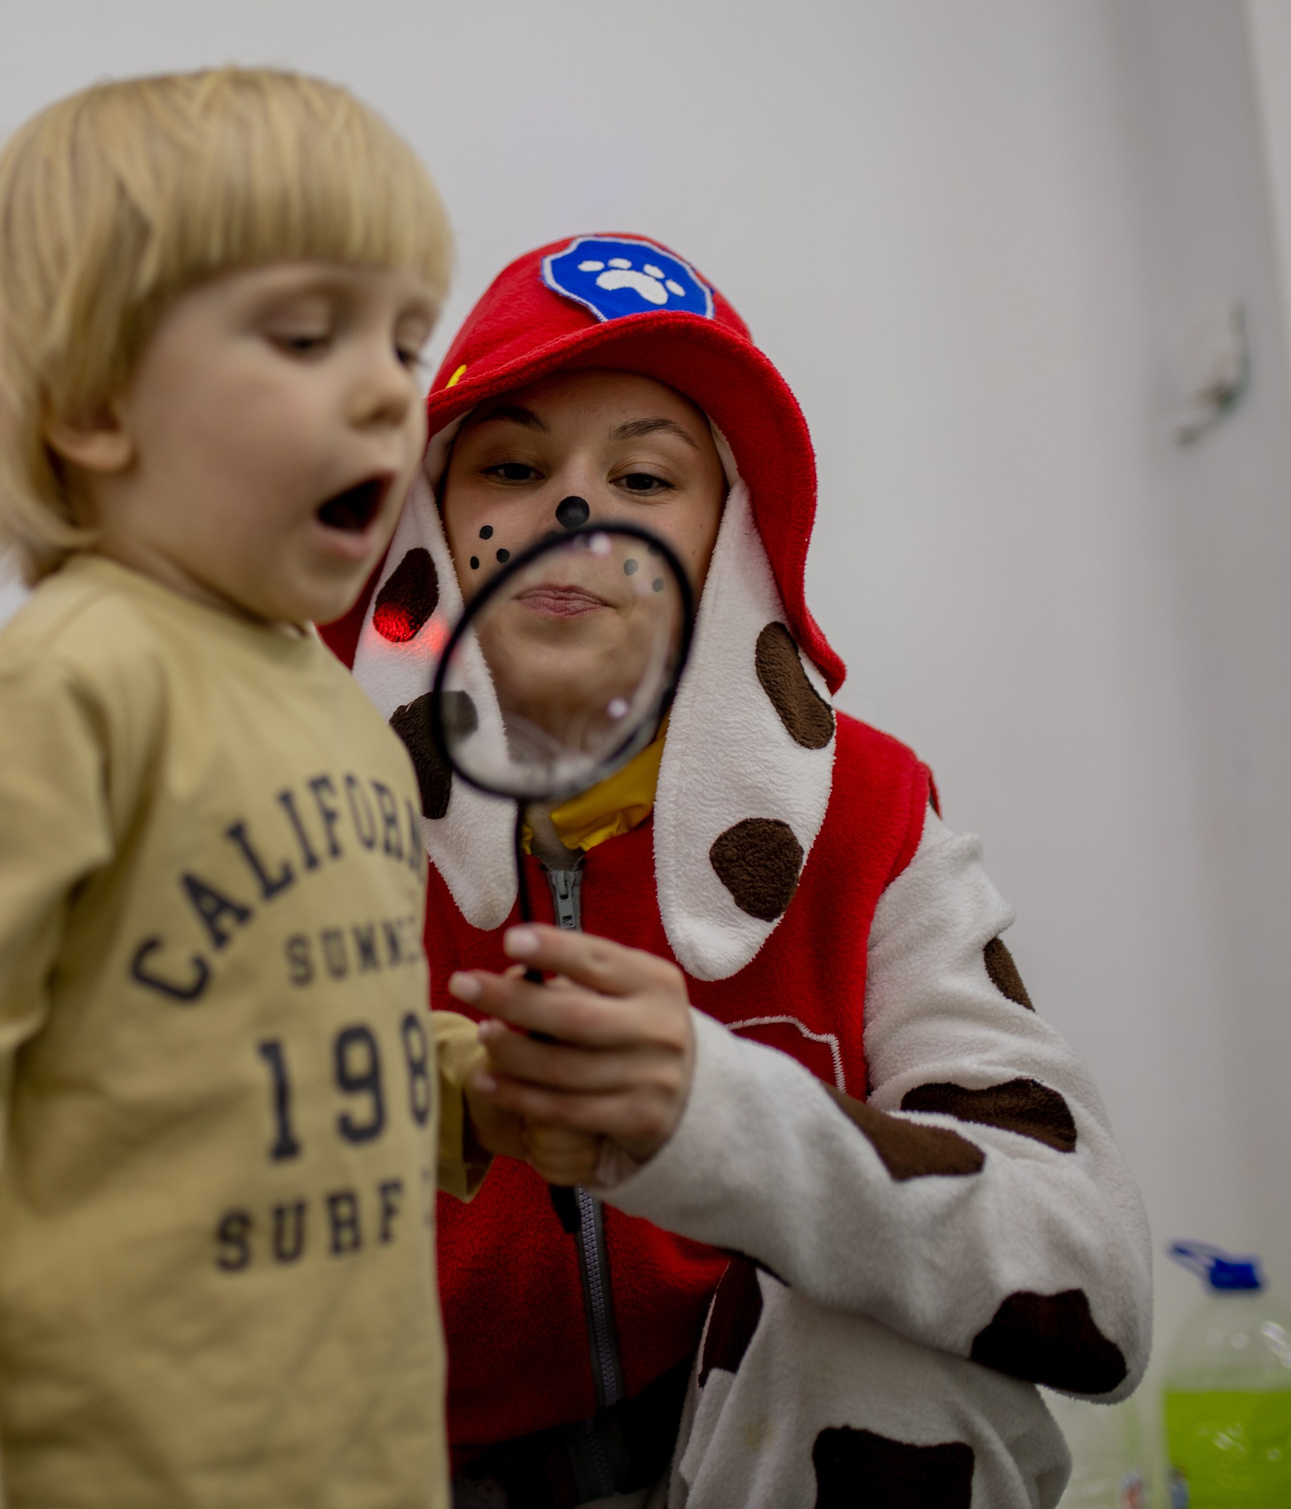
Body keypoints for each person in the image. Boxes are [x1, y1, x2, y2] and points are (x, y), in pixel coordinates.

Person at [325, 234, 1152, 1508]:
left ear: (731, 535)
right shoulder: (296, 812)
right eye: (512, 465)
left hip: (748, 1459)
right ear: (435, 522)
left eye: (645, 475)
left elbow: (1090, 1280)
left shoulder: (866, 811)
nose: (574, 508)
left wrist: (718, 1123)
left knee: (873, 1327)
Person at [0, 67, 503, 1509]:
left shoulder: (340, 709)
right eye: (306, 333)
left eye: (407, 338)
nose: (386, 386)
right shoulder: (72, 690)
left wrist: (476, 1087)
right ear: (96, 403)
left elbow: (252, 1040)